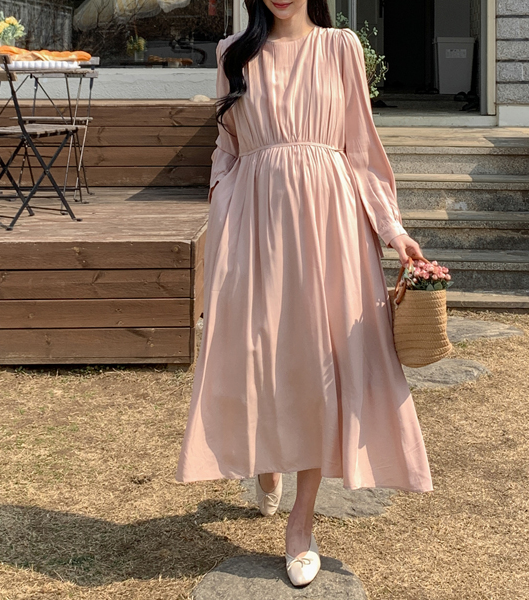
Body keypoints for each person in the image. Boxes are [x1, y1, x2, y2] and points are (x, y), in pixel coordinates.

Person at [176, 0, 434, 587]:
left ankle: (301, 522)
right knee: (259, 354)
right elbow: (227, 147)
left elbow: (360, 148)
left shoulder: (340, 47)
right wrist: (223, 204)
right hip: (255, 228)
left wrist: (392, 230)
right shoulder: (233, 54)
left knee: (320, 365)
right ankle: (268, 458)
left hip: (331, 230)